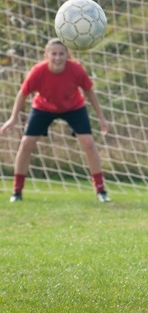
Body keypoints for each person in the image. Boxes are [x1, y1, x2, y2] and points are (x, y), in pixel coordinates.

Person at [0, 38, 111, 203]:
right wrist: (13, 118)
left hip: (74, 107)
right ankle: (17, 191)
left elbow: (89, 91)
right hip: (43, 107)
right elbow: (22, 93)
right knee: (26, 143)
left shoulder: (76, 69)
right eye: (54, 54)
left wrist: (101, 116)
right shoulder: (38, 71)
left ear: (68, 55)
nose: (57, 57)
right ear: (47, 55)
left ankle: (101, 190)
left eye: (61, 54)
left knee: (88, 142)